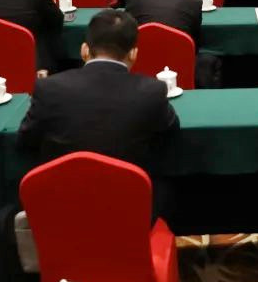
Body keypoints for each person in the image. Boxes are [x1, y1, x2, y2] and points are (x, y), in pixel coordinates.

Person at [17, 10, 179, 171]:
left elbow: (26, 140)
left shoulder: (48, 88)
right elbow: (170, 137)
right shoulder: (153, 91)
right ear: (133, 54)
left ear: (84, 50)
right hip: (129, 185)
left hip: (64, 185)